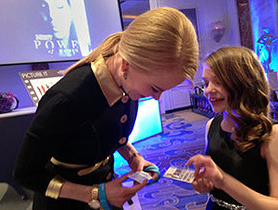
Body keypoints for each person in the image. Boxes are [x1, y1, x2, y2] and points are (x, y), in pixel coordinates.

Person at [14, 7, 199, 210]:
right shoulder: (66, 99)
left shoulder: (127, 82)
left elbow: (105, 133)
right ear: (127, 64)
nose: (156, 98)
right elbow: (25, 174)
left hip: (106, 187)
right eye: (155, 89)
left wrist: (133, 157)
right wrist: (95, 194)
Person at [186, 46, 278, 209]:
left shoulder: (271, 134)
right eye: (206, 83)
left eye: (218, 82)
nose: (208, 90)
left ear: (243, 83)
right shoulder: (211, 126)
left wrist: (223, 180)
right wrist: (207, 184)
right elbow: (216, 189)